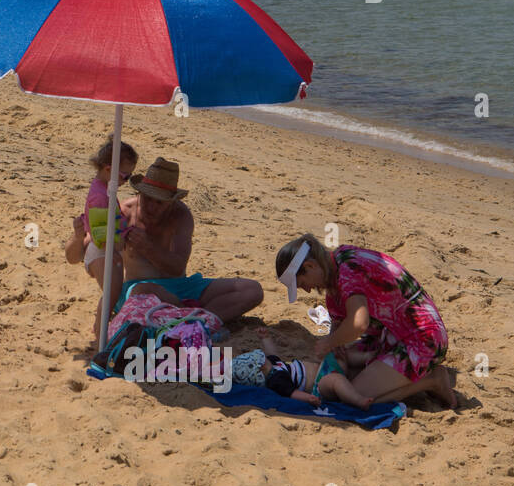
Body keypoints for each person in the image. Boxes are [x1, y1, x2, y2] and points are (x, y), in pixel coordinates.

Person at [274, 233, 454, 407]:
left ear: (310, 266)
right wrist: (335, 345)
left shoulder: (347, 273)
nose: (306, 290)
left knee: (354, 396)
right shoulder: (338, 262)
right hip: (392, 335)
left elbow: (359, 324)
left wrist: (329, 342)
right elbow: (341, 323)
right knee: (344, 377)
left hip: (422, 338)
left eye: (302, 283)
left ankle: (432, 381)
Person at [110, 157, 263, 322]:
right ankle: (195, 317)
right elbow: (89, 254)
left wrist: (148, 247)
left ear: (171, 202)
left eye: (159, 202)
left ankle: (192, 319)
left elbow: (176, 268)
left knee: (251, 290)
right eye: (147, 199)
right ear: (139, 193)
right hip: (140, 291)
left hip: (181, 286)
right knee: (142, 290)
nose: (152, 207)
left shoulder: (180, 215)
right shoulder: (125, 213)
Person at [231, 328, 373, 409]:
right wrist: (309, 398)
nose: (265, 357)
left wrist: (265, 338)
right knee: (337, 380)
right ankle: (358, 400)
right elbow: (292, 393)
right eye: (262, 358)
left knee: (341, 354)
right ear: (261, 367)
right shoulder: (276, 380)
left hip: (323, 368)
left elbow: (272, 352)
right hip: (319, 385)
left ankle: (371, 357)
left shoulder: (274, 364)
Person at [64, 135, 137, 280]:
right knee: (110, 298)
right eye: (125, 177)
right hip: (101, 255)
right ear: (108, 169)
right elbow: (103, 240)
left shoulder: (104, 187)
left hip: (101, 251)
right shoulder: (100, 197)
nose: (126, 181)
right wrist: (124, 242)